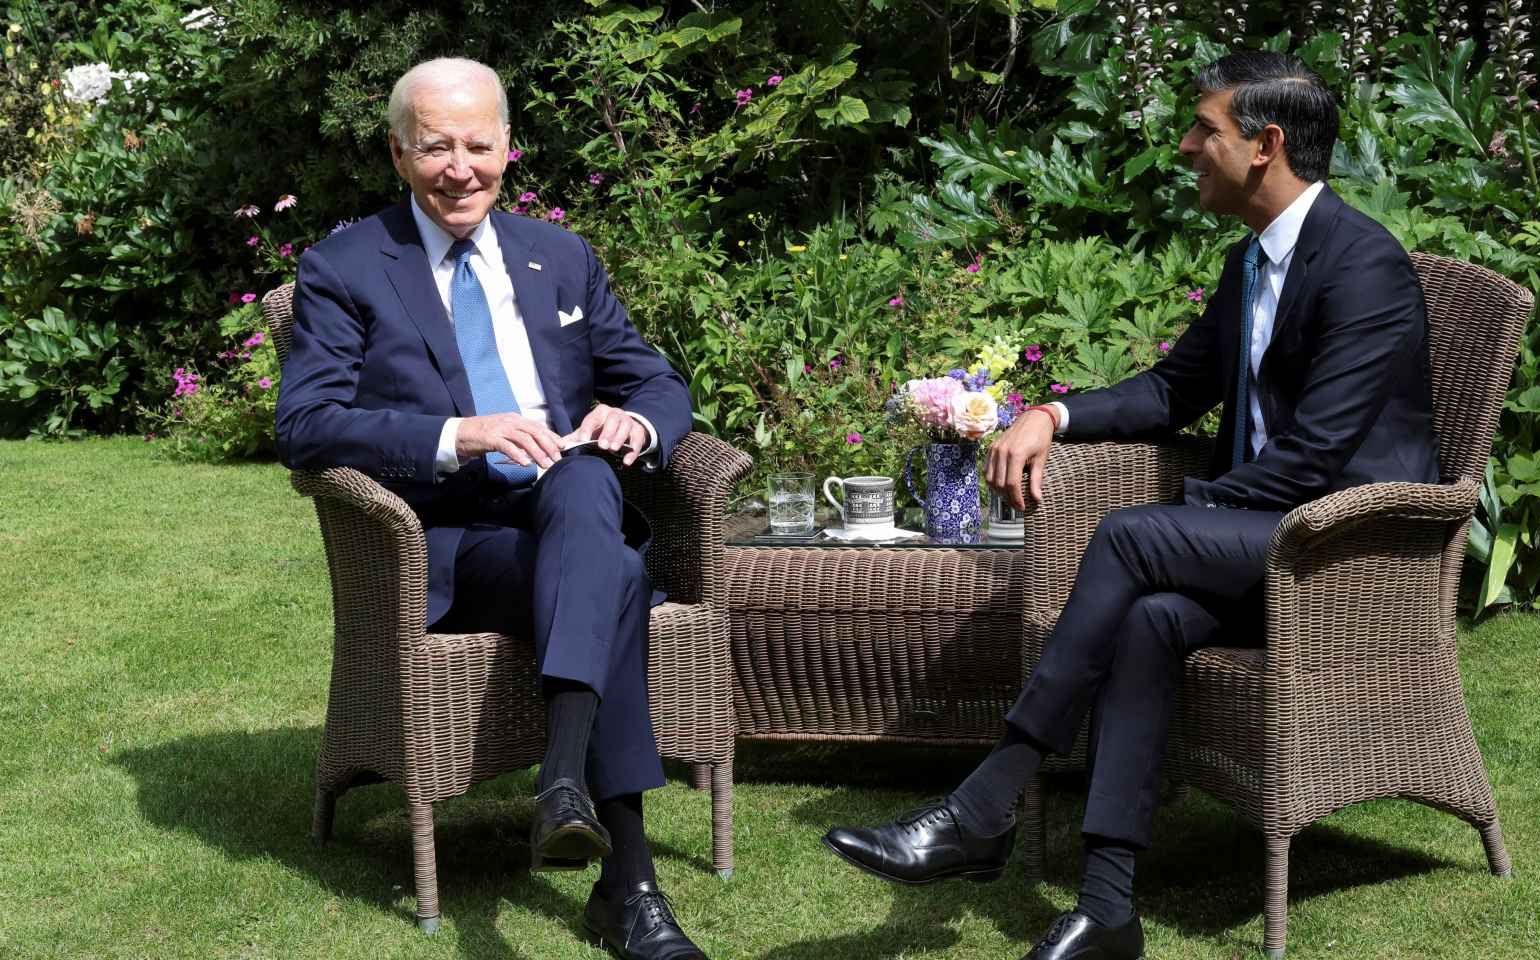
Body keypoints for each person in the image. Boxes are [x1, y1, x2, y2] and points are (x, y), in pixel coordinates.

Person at [822, 51, 1439, 960]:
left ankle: (985, 803)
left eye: (1207, 130)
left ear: (1266, 146)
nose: (1188, 145)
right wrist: (1048, 411)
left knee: (1133, 537)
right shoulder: (1251, 263)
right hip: (1267, 537)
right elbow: (1169, 391)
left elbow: (1314, 459)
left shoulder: (1365, 269)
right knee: (1150, 616)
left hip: (1347, 546)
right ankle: (1108, 908)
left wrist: (1182, 511)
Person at [275, 58, 708, 960]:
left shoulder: (559, 256)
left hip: (568, 515)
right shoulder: (346, 267)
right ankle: (629, 888)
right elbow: (308, 425)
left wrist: (635, 420)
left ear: (509, 148)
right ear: (399, 153)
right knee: (618, 573)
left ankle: (563, 786)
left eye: (479, 145)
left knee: (589, 485)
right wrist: (459, 435)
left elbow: (658, 378)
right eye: (437, 147)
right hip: (451, 543)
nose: (460, 167)